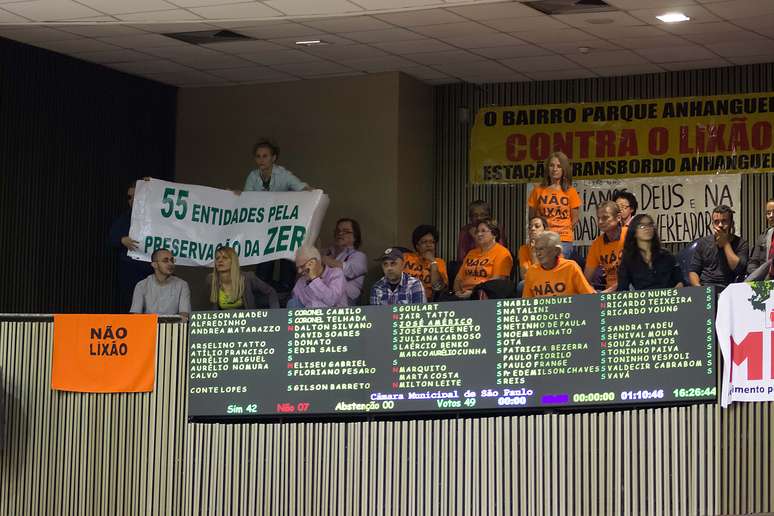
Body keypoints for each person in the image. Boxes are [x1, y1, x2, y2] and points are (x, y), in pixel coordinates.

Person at [242, 139, 313, 294]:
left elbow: (302, 188)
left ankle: (285, 292)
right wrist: (234, 195)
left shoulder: (283, 174)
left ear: (273, 158)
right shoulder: (253, 176)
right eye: (258, 156)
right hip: (264, 229)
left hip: (283, 227)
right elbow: (246, 198)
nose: (261, 160)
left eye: (265, 156)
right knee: (264, 266)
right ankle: (264, 292)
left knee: (285, 259)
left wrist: (315, 194)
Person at [108, 181, 153, 311]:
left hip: (150, 271)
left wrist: (152, 186)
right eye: (129, 197)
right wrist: (122, 240)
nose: (132, 200)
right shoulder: (124, 219)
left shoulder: (154, 217)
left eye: (135, 196)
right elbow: (111, 240)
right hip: (129, 271)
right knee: (130, 307)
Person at [527, 151, 580, 257]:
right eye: (551, 165)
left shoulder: (571, 191)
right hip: (543, 237)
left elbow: (574, 219)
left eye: (559, 166)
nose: (555, 169)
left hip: (563, 238)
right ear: (547, 168)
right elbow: (532, 217)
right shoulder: (537, 191)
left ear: (564, 169)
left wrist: (560, 230)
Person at [688, 205, 748, 292]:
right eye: (716, 222)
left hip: (729, 289)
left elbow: (738, 269)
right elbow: (693, 271)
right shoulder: (703, 243)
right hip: (705, 287)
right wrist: (699, 289)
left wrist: (726, 243)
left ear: (731, 223)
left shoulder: (741, 244)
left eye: (724, 221)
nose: (720, 225)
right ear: (712, 224)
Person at [617, 214, 683, 291]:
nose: (647, 228)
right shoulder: (628, 259)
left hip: (669, 299)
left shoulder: (667, 255)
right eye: (642, 226)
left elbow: (680, 281)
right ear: (634, 232)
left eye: (650, 225)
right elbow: (622, 288)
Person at [452, 219, 513, 300]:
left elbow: (497, 282)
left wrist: (473, 293)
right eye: (477, 231)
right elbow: (458, 279)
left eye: (483, 231)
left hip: (485, 296)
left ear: (494, 234)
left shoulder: (502, 253)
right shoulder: (471, 253)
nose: (479, 234)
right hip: (463, 295)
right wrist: (457, 293)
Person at [522, 232, 594, 298]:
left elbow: (589, 296)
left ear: (556, 250)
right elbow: (526, 303)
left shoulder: (571, 267)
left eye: (542, 249)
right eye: (536, 249)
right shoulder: (531, 271)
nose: (538, 254)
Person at [208, 246, 279, 309]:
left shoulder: (248, 277)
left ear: (233, 261)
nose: (220, 260)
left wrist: (274, 314)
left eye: (225, 258)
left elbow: (271, 292)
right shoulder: (211, 279)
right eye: (217, 258)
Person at [130, 248, 191, 320]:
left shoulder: (182, 285)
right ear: (154, 265)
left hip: (172, 329)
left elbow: (184, 315)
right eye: (165, 260)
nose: (170, 264)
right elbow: (135, 316)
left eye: (172, 260)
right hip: (148, 329)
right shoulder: (141, 285)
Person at [321, 218, 367, 305]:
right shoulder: (328, 251)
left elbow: (349, 270)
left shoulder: (359, 256)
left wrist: (325, 260)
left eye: (346, 231)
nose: (340, 234)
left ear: (355, 236)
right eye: (338, 231)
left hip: (347, 299)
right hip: (324, 295)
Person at [584, 201, 627, 292]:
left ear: (618, 217)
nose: (600, 222)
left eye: (605, 218)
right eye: (598, 218)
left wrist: (609, 291)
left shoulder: (630, 235)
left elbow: (637, 274)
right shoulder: (597, 244)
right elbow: (586, 279)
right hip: (609, 294)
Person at [402, 225, 448, 301]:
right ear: (417, 246)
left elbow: (438, 288)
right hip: (404, 299)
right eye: (424, 242)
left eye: (432, 242)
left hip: (426, 302)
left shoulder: (439, 262)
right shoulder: (405, 257)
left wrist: (433, 263)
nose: (429, 245)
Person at [747, 199, 774, 274]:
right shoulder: (763, 237)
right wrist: (758, 276)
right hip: (765, 280)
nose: (771, 215)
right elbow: (753, 262)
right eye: (768, 213)